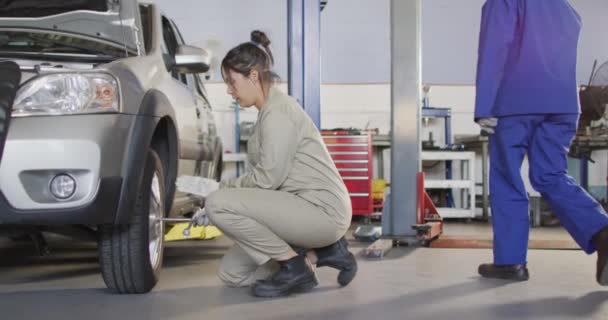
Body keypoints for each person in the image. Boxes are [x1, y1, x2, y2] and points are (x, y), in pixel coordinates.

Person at [200, 30, 357, 297]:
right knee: (232, 274)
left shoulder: (278, 113)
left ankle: (294, 267)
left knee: (217, 203)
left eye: (231, 82)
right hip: (296, 207)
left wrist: (222, 188)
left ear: (253, 76)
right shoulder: (266, 113)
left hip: (321, 210)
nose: (229, 91)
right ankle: (321, 254)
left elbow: (266, 180)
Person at [474, 0, 608, 283]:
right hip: (563, 104)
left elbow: (494, 48)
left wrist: (484, 105)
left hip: (516, 101)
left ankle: (510, 262)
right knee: (550, 174)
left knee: (507, 177)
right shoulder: (565, 8)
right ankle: (603, 232)